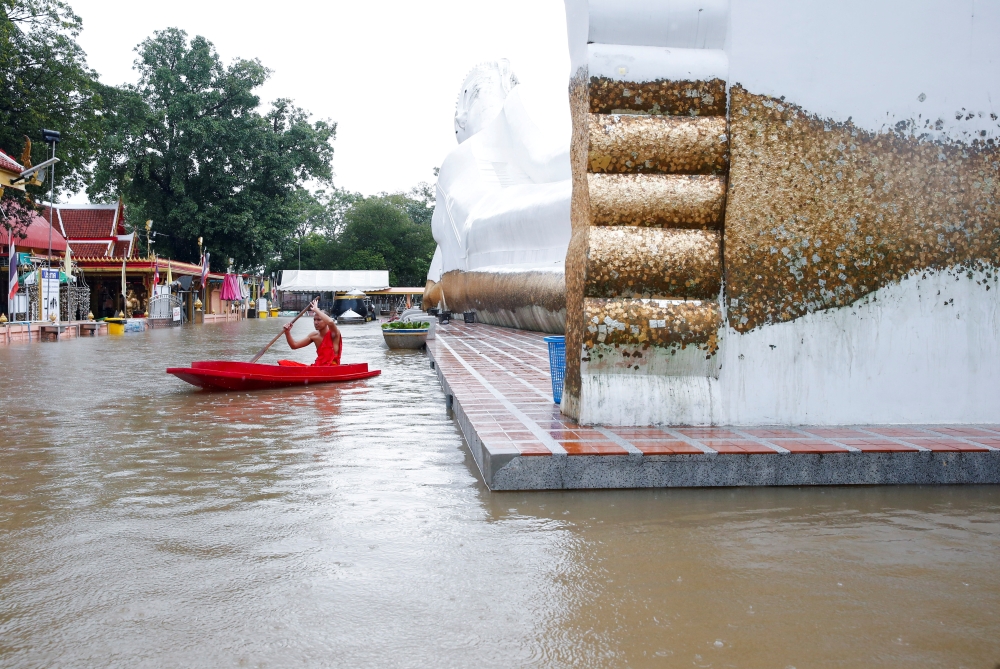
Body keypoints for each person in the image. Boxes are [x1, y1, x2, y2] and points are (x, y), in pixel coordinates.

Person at [278, 302, 342, 367]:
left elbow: (330, 322)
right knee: (283, 363)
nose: (316, 322)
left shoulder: (334, 333)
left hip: (332, 368)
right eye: (314, 320)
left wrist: (316, 310)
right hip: (318, 367)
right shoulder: (314, 336)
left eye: (319, 320)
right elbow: (294, 346)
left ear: (326, 321)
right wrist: (287, 332)